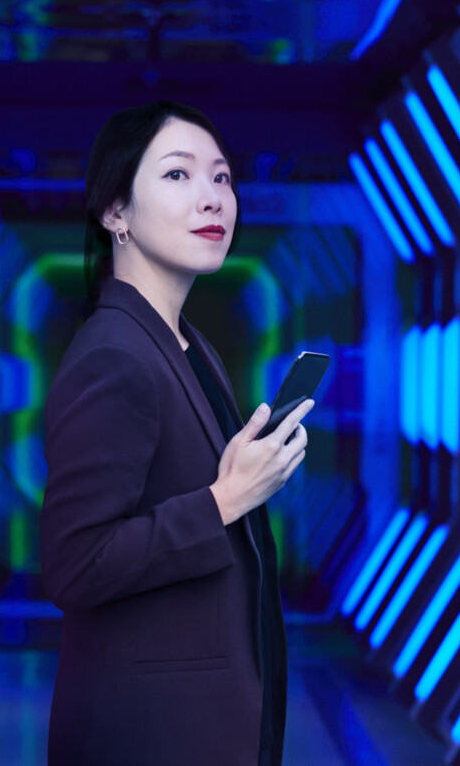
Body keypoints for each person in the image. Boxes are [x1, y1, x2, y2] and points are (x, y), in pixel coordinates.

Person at [40, 101, 314, 765]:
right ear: (115, 213)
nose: (211, 197)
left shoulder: (187, 345)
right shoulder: (116, 355)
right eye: (177, 175)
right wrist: (225, 500)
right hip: (146, 736)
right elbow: (74, 565)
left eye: (221, 178)